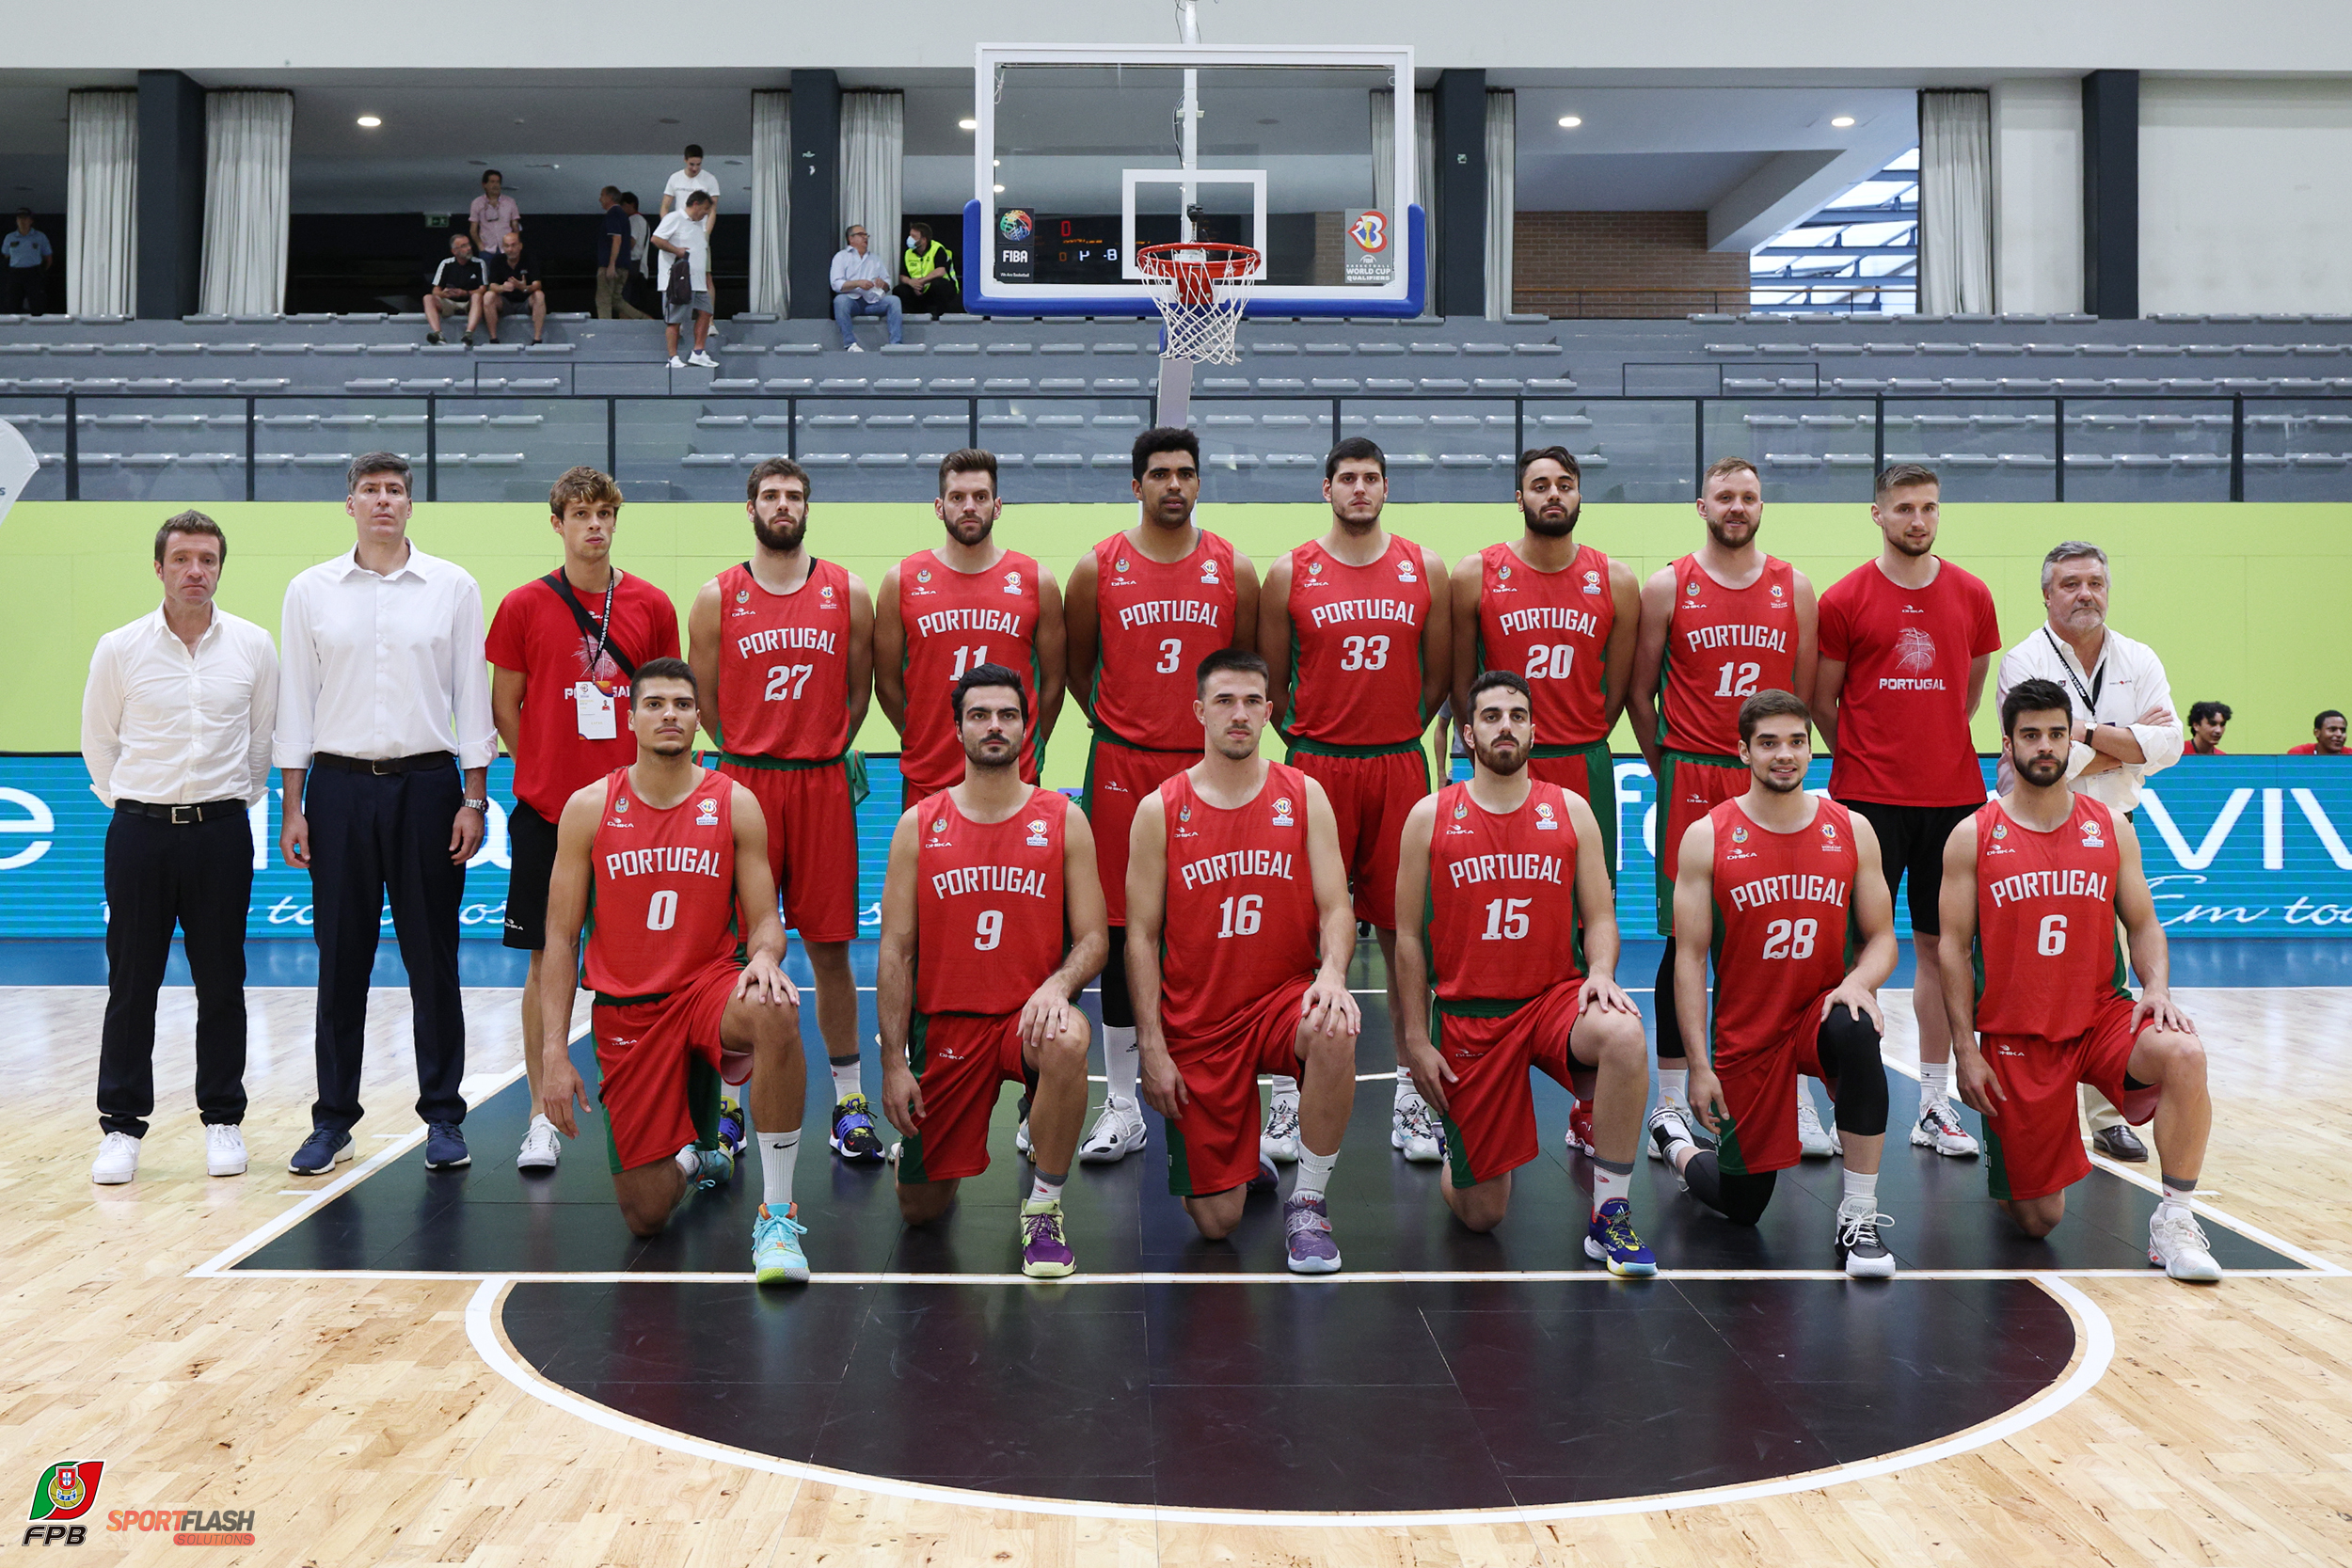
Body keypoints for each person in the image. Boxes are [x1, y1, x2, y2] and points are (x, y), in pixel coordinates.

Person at [534, 659, 813, 1283]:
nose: (669, 714)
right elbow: (558, 938)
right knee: (646, 1215)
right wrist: (555, 1050)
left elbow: (768, 920)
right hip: (628, 1009)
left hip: (709, 989)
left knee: (777, 1008)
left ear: (698, 719)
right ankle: (700, 1154)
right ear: (630, 717)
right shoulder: (588, 808)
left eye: (683, 704)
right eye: (655, 703)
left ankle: (775, 1216)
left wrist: (765, 956)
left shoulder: (734, 803)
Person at [1935, 677, 2218, 1281]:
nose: (2045, 746)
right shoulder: (1972, 835)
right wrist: (1965, 1049)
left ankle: (2175, 1219)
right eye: (2030, 734)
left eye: (2057, 734)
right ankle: (2031, 1146)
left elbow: (2142, 922)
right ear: (2006, 745)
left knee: (2185, 1054)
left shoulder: (2110, 826)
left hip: (2099, 1017)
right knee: (2039, 1219)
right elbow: (1953, 952)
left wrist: (2157, 990)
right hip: (2017, 1035)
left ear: (2073, 744)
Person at [1391, 671, 1656, 1274]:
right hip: (1468, 1019)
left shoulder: (1572, 811)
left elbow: (1601, 917)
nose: (1505, 726)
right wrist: (1413, 1039)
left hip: (1551, 1001)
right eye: (1491, 716)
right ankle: (1459, 1149)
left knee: (1623, 1030)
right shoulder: (1429, 817)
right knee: (1482, 1215)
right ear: (1467, 734)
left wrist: (1604, 971)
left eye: (1516, 715)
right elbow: (1407, 938)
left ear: (1534, 730)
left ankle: (1610, 1215)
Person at [276, 453, 494, 1176]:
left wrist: (473, 796)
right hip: (336, 791)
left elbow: (472, 695)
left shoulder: (454, 586)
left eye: (394, 490)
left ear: (410, 505)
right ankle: (333, 1119)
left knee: (432, 959)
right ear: (349, 504)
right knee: (342, 960)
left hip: (429, 787)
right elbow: (295, 706)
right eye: (369, 490)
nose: (382, 501)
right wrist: (293, 807)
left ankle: (443, 1118)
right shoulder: (309, 590)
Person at [1125, 648, 1362, 1272]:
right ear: (1200, 710)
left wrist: (1333, 974)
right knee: (1216, 1223)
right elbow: (1141, 937)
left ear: (1268, 712)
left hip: (1283, 1001)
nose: (1240, 713)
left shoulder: (1303, 794)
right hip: (1198, 1022)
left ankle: (1308, 1202)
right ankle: (1239, 1156)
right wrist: (1151, 1045)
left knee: (1336, 1025)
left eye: (1252, 701)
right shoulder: (1160, 810)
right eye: (1225, 700)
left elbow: (1338, 906)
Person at [1651, 689, 1900, 1278]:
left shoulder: (1852, 828)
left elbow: (1885, 938)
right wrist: (1698, 1065)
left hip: (1819, 1012)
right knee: (1743, 1206)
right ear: (1743, 752)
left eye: (1796, 741)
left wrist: (1860, 982)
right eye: (1768, 743)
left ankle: (1859, 1216)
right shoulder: (1708, 836)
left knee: (1857, 1026)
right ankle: (1675, 1144)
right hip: (1747, 1031)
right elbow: (1688, 959)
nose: (1784, 755)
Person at [1060, 427, 1259, 1164]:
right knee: (1117, 932)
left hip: (1206, 771)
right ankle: (1121, 1105)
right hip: (1121, 764)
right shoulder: (1096, 568)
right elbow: (1081, 668)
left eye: (1185, 473)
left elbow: (1246, 672)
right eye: (1159, 473)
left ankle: (1231, 1096)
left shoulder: (1233, 569)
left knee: (1223, 930)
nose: (1173, 484)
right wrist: (1122, 719)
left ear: (1200, 483)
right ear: (1134, 484)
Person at [875, 665, 1107, 1277]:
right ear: (957, 729)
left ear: (1026, 727)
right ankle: (922, 1154)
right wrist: (895, 1063)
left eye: (1007, 714)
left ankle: (1045, 1208)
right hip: (947, 1029)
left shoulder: (1063, 817)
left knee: (1070, 1036)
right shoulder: (919, 826)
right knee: (921, 1208)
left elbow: (1092, 937)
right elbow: (895, 952)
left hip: (1024, 1020)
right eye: (979, 715)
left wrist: (1059, 984)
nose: (994, 726)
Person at [1257, 437, 1450, 1165]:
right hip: (1317, 766)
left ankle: (1412, 1090)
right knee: (1296, 937)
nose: (1360, 490)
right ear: (1326, 488)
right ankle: (1284, 1094)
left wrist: (1396, 732)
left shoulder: (1424, 567)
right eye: (1348, 479)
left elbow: (1439, 677)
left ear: (1386, 487)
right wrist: (1316, 740)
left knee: (1408, 936)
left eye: (1372, 478)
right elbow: (1273, 683)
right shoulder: (1289, 572)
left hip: (1398, 765)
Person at [487, 467, 681, 1174]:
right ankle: (540, 1113)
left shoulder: (652, 604)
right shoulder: (522, 606)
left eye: (604, 513)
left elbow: (665, 702)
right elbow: (505, 704)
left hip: (637, 811)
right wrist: (541, 763)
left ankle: (668, 1114)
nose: (594, 525)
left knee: (659, 960)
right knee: (547, 961)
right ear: (557, 522)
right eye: (580, 513)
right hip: (548, 813)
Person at [1625, 458, 1818, 1162]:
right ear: (1699, 503)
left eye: (1749, 497)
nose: (1738, 507)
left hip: (1766, 777)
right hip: (1691, 774)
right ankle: (1670, 1102)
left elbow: (1800, 693)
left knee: (1778, 939)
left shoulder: (1794, 586)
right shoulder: (1667, 584)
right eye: (1725, 497)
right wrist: (1665, 765)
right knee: (1686, 942)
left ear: (1762, 505)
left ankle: (1794, 1089)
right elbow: (1638, 693)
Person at [689, 457, 879, 1168]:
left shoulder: (848, 591)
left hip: (822, 784)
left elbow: (858, 694)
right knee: (737, 951)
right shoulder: (717, 596)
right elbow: (704, 700)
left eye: (794, 495)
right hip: (745, 785)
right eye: (770, 495)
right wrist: (752, 752)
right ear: (749, 508)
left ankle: (851, 1102)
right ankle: (732, 1106)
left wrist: (821, 746)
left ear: (807, 506)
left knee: (832, 951)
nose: (782, 505)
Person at [1450, 445, 1638, 1160]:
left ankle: (1587, 1105)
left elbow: (1615, 688)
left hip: (1580, 757)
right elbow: (1460, 681)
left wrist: (1579, 733)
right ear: (1519, 496)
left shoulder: (1614, 580)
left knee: (1589, 925)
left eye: (1564, 484)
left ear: (1579, 494)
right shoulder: (1477, 573)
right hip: (1499, 762)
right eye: (1539, 484)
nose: (1553, 494)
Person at [82, 512, 278, 1186]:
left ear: (220, 567)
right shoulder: (120, 647)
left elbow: (260, 747)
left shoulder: (253, 646)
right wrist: (138, 805)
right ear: (159, 567)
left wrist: (225, 803)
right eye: (183, 559)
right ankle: (121, 1126)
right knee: (130, 982)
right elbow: (98, 746)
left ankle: (223, 1118)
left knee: (222, 981)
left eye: (207, 559)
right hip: (137, 832)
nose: (196, 570)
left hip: (222, 833)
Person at [1812, 463, 2000, 1162]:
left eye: (1928, 508)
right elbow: (1821, 699)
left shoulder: (1973, 594)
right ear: (1877, 514)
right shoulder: (1844, 598)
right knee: (1844, 952)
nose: (1918, 520)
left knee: (1940, 951)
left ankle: (1932, 1101)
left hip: (1953, 799)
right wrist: (1866, 757)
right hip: (1865, 799)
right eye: (1904, 508)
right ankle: (1823, 1100)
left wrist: (1931, 747)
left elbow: (1969, 691)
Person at [1993, 541, 2180, 1163]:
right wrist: (2130, 743)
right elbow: (2046, 759)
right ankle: (2036, 1103)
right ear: (2047, 594)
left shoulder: (2138, 656)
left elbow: (2172, 742)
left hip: (2115, 823)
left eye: (2095, 581)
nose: (2085, 593)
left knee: (2112, 965)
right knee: (2047, 966)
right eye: (2070, 583)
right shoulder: (2023, 658)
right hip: (2043, 824)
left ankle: (2106, 1113)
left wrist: (2086, 733)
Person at [873, 449, 1065, 803]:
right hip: (929, 775)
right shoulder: (902, 580)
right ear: (938, 506)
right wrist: (919, 734)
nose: (969, 507)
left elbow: (1054, 683)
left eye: (981, 497)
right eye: (957, 497)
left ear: (998, 506)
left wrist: (1029, 742)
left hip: (1014, 775)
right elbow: (885, 683)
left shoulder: (1036, 581)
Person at [652, 190, 718, 370]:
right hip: (677, 281)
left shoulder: (699, 224)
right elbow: (656, 239)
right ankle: (673, 357)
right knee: (675, 319)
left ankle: (698, 352)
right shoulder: (674, 218)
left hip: (698, 281)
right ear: (695, 204)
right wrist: (677, 251)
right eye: (704, 209)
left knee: (706, 311)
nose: (706, 213)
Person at [660, 146, 722, 317]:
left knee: (706, 275)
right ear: (685, 161)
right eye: (692, 164)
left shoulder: (709, 179)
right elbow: (665, 205)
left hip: (700, 232)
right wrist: (667, 228)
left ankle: (709, 321)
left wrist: (706, 235)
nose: (695, 168)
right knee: (678, 274)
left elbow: (712, 211)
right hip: (679, 234)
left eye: (698, 164)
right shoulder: (675, 178)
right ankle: (676, 317)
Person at [831, 224, 903, 351]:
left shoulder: (875, 259)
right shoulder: (841, 257)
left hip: (872, 302)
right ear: (850, 239)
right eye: (861, 234)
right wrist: (858, 283)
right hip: (851, 300)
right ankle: (850, 344)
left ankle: (896, 344)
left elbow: (888, 284)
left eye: (866, 235)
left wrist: (883, 284)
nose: (865, 238)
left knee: (894, 300)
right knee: (840, 301)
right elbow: (836, 284)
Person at [595, 187, 651, 321]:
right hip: (625, 266)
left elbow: (617, 239)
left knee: (603, 299)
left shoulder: (614, 214)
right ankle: (643, 318)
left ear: (610, 197)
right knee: (616, 299)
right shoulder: (625, 217)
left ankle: (606, 330)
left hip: (613, 265)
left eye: (602, 195)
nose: (600, 199)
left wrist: (611, 264)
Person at [483, 229, 547, 345]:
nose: (510, 249)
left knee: (539, 295)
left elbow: (537, 284)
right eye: (507, 246)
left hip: (525, 302)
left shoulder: (530, 259)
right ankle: (493, 339)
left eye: (513, 245)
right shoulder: (497, 260)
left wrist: (525, 288)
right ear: (503, 248)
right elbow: (492, 285)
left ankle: (537, 339)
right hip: (505, 303)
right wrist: (502, 288)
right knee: (488, 296)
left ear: (520, 246)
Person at [422, 233, 486, 347]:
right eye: (463, 246)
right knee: (427, 298)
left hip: (469, 302)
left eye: (468, 244)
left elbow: (483, 289)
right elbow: (435, 290)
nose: (469, 248)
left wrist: (465, 293)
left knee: (477, 296)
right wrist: (444, 294)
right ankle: (438, 334)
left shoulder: (479, 263)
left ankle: (468, 334)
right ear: (454, 251)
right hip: (450, 303)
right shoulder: (446, 264)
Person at [897, 220, 958, 318]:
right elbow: (902, 276)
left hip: (938, 288)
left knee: (939, 284)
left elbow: (940, 271)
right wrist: (911, 283)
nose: (909, 239)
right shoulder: (908, 253)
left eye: (914, 237)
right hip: (918, 289)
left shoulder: (937, 249)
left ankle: (940, 315)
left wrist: (921, 282)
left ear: (924, 239)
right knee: (899, 290)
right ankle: (916, 315)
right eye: (910, 235)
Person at [4, 209, 54, 316]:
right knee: (13, 303)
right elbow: (6, 254)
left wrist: (41, 272)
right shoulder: (10, 237)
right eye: (19, 218)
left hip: (33, 272)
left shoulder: (40, 237)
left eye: (25, 218)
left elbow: (48, 257)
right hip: (15, 273)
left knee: (37, 303)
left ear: (31, 221)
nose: (22, 221)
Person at [469, 170, 520, 258]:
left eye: (498, 182)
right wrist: (480, 246)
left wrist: (514, 245)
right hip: (487, 249)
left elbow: (515, 226)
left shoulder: (510, 202)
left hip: (507, 249)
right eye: (492, 182)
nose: (495, 185)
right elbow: (473, 229)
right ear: (484, 184)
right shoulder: (477, 203)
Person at [621, 192, 655, 315]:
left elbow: (631, 242)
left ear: (631, 205)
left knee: (624, 304)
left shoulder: (633, 219)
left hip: (631, 268)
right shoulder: (643, 221)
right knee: (637, 305)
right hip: (640, 269)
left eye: (623, 205)